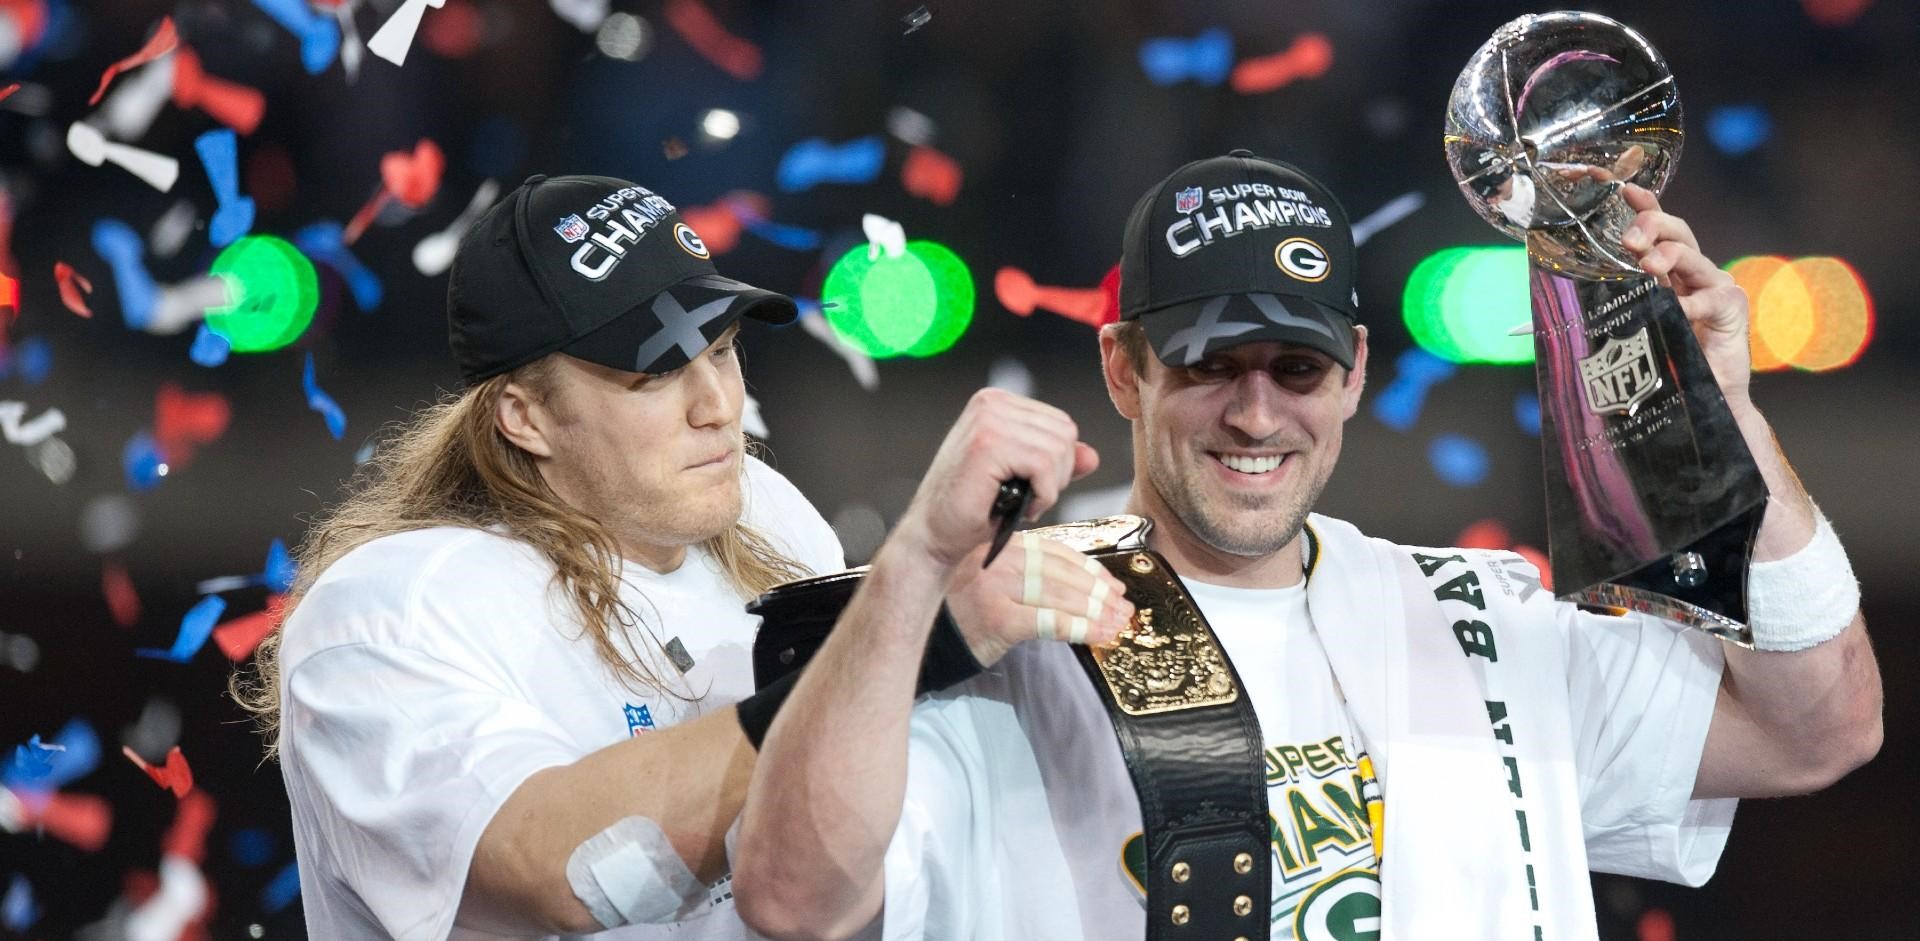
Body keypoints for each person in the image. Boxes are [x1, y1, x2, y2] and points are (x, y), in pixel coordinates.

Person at [728, 152, 1883, 940]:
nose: (1257, 414)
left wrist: (1716, 430)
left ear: (1358, 373)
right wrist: (920, 575)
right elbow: (791, 898)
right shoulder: (1008, 623)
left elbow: (1822, 727)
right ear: (1121, 368)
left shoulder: (1483, 618)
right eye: (1210, 367)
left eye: (1296, 369)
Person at [228, 174, 1069, 940]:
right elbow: (564, 873)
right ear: (524, 415)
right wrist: (896, 631)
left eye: (722, 349)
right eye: (657, 372)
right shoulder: (387, 610)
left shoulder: (768, 517)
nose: (718, 407)